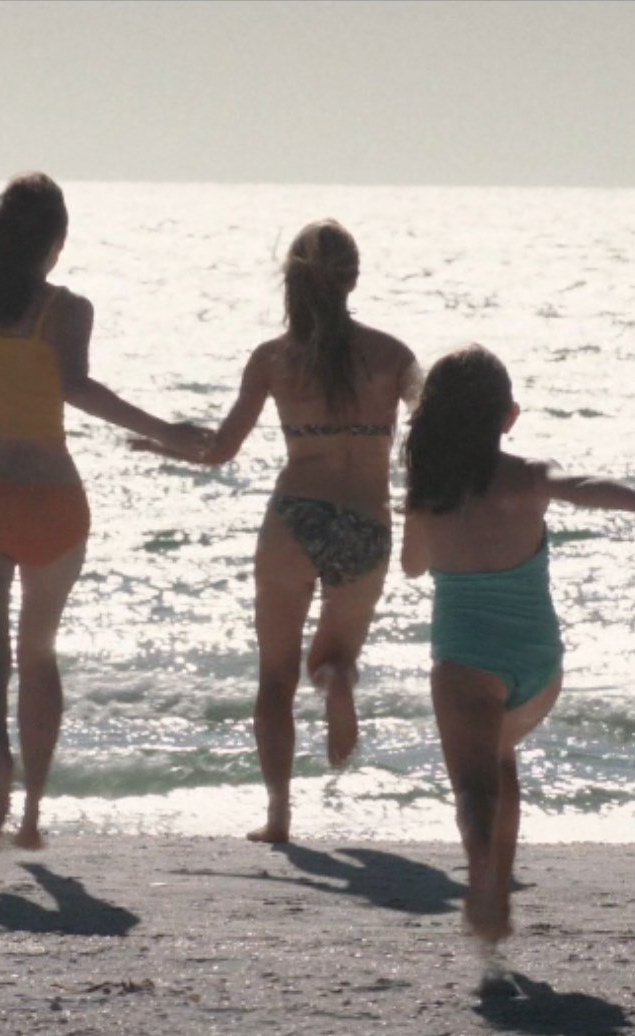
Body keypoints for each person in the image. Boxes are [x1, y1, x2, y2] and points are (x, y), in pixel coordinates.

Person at [0, 173, 207, 849]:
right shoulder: (67, 309)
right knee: (38, 656)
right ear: (56, 241)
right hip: (53, 500)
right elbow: (76, 387)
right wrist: (166, 432)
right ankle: (35, 811)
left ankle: (0, 779)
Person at [398, 344, 635, 957]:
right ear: (508, 417)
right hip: (538, 665)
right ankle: (498, 884)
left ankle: (484, 880)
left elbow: (413, 567)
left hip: (466, 657)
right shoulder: (527, 477)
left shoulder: (429, 490)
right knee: (500, 757)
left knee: (473, 787)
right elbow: (587, 487)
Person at [134, 220, 421, 844]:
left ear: (292, 281)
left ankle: (279, 815)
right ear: (353, 279)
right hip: (366, 521)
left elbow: (220, 450)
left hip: (294, 517)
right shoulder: (394, 356)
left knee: (275, 678)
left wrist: (161, 443)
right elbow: (430, 425)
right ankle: (338, 682)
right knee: (333, 658)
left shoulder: (273, 359)